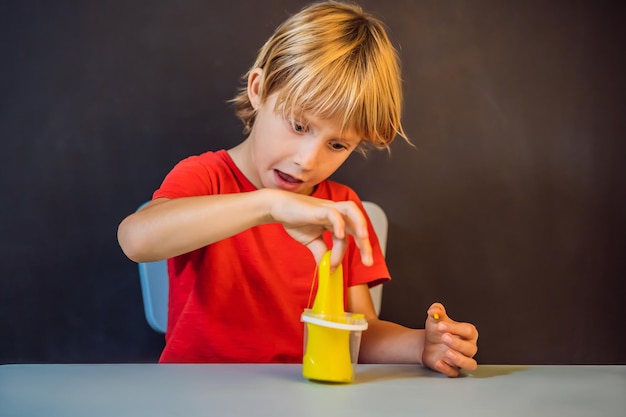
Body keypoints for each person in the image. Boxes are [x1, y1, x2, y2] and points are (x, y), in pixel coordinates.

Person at [118, 0, 478, 377]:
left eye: (337, 145)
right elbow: (137, 240)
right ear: (259, 89)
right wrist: (267, 206)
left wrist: (422, 345)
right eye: (299, 125)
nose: (308, 160)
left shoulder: (342, 210)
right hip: (195, 395)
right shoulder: (205, 177)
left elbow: (360, 335)